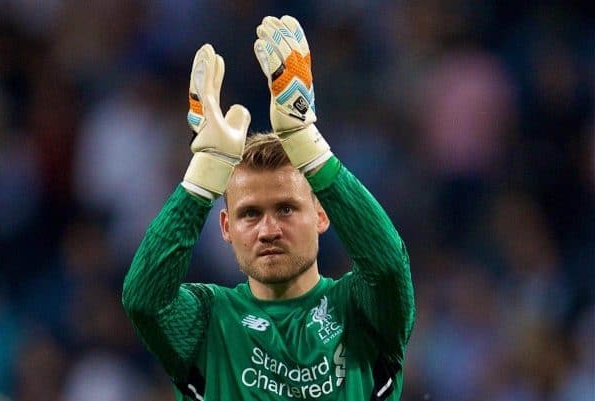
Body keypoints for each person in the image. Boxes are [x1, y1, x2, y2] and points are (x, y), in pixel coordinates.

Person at [122, 15, 415, 401]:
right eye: (250, 214)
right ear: (225, 227)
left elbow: (388, 265)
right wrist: (203, 175)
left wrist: (306, 143)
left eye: (287, 209)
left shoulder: (360, 310)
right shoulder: (208, 321)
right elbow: (143, 299)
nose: (268, 229)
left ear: (322, 214)